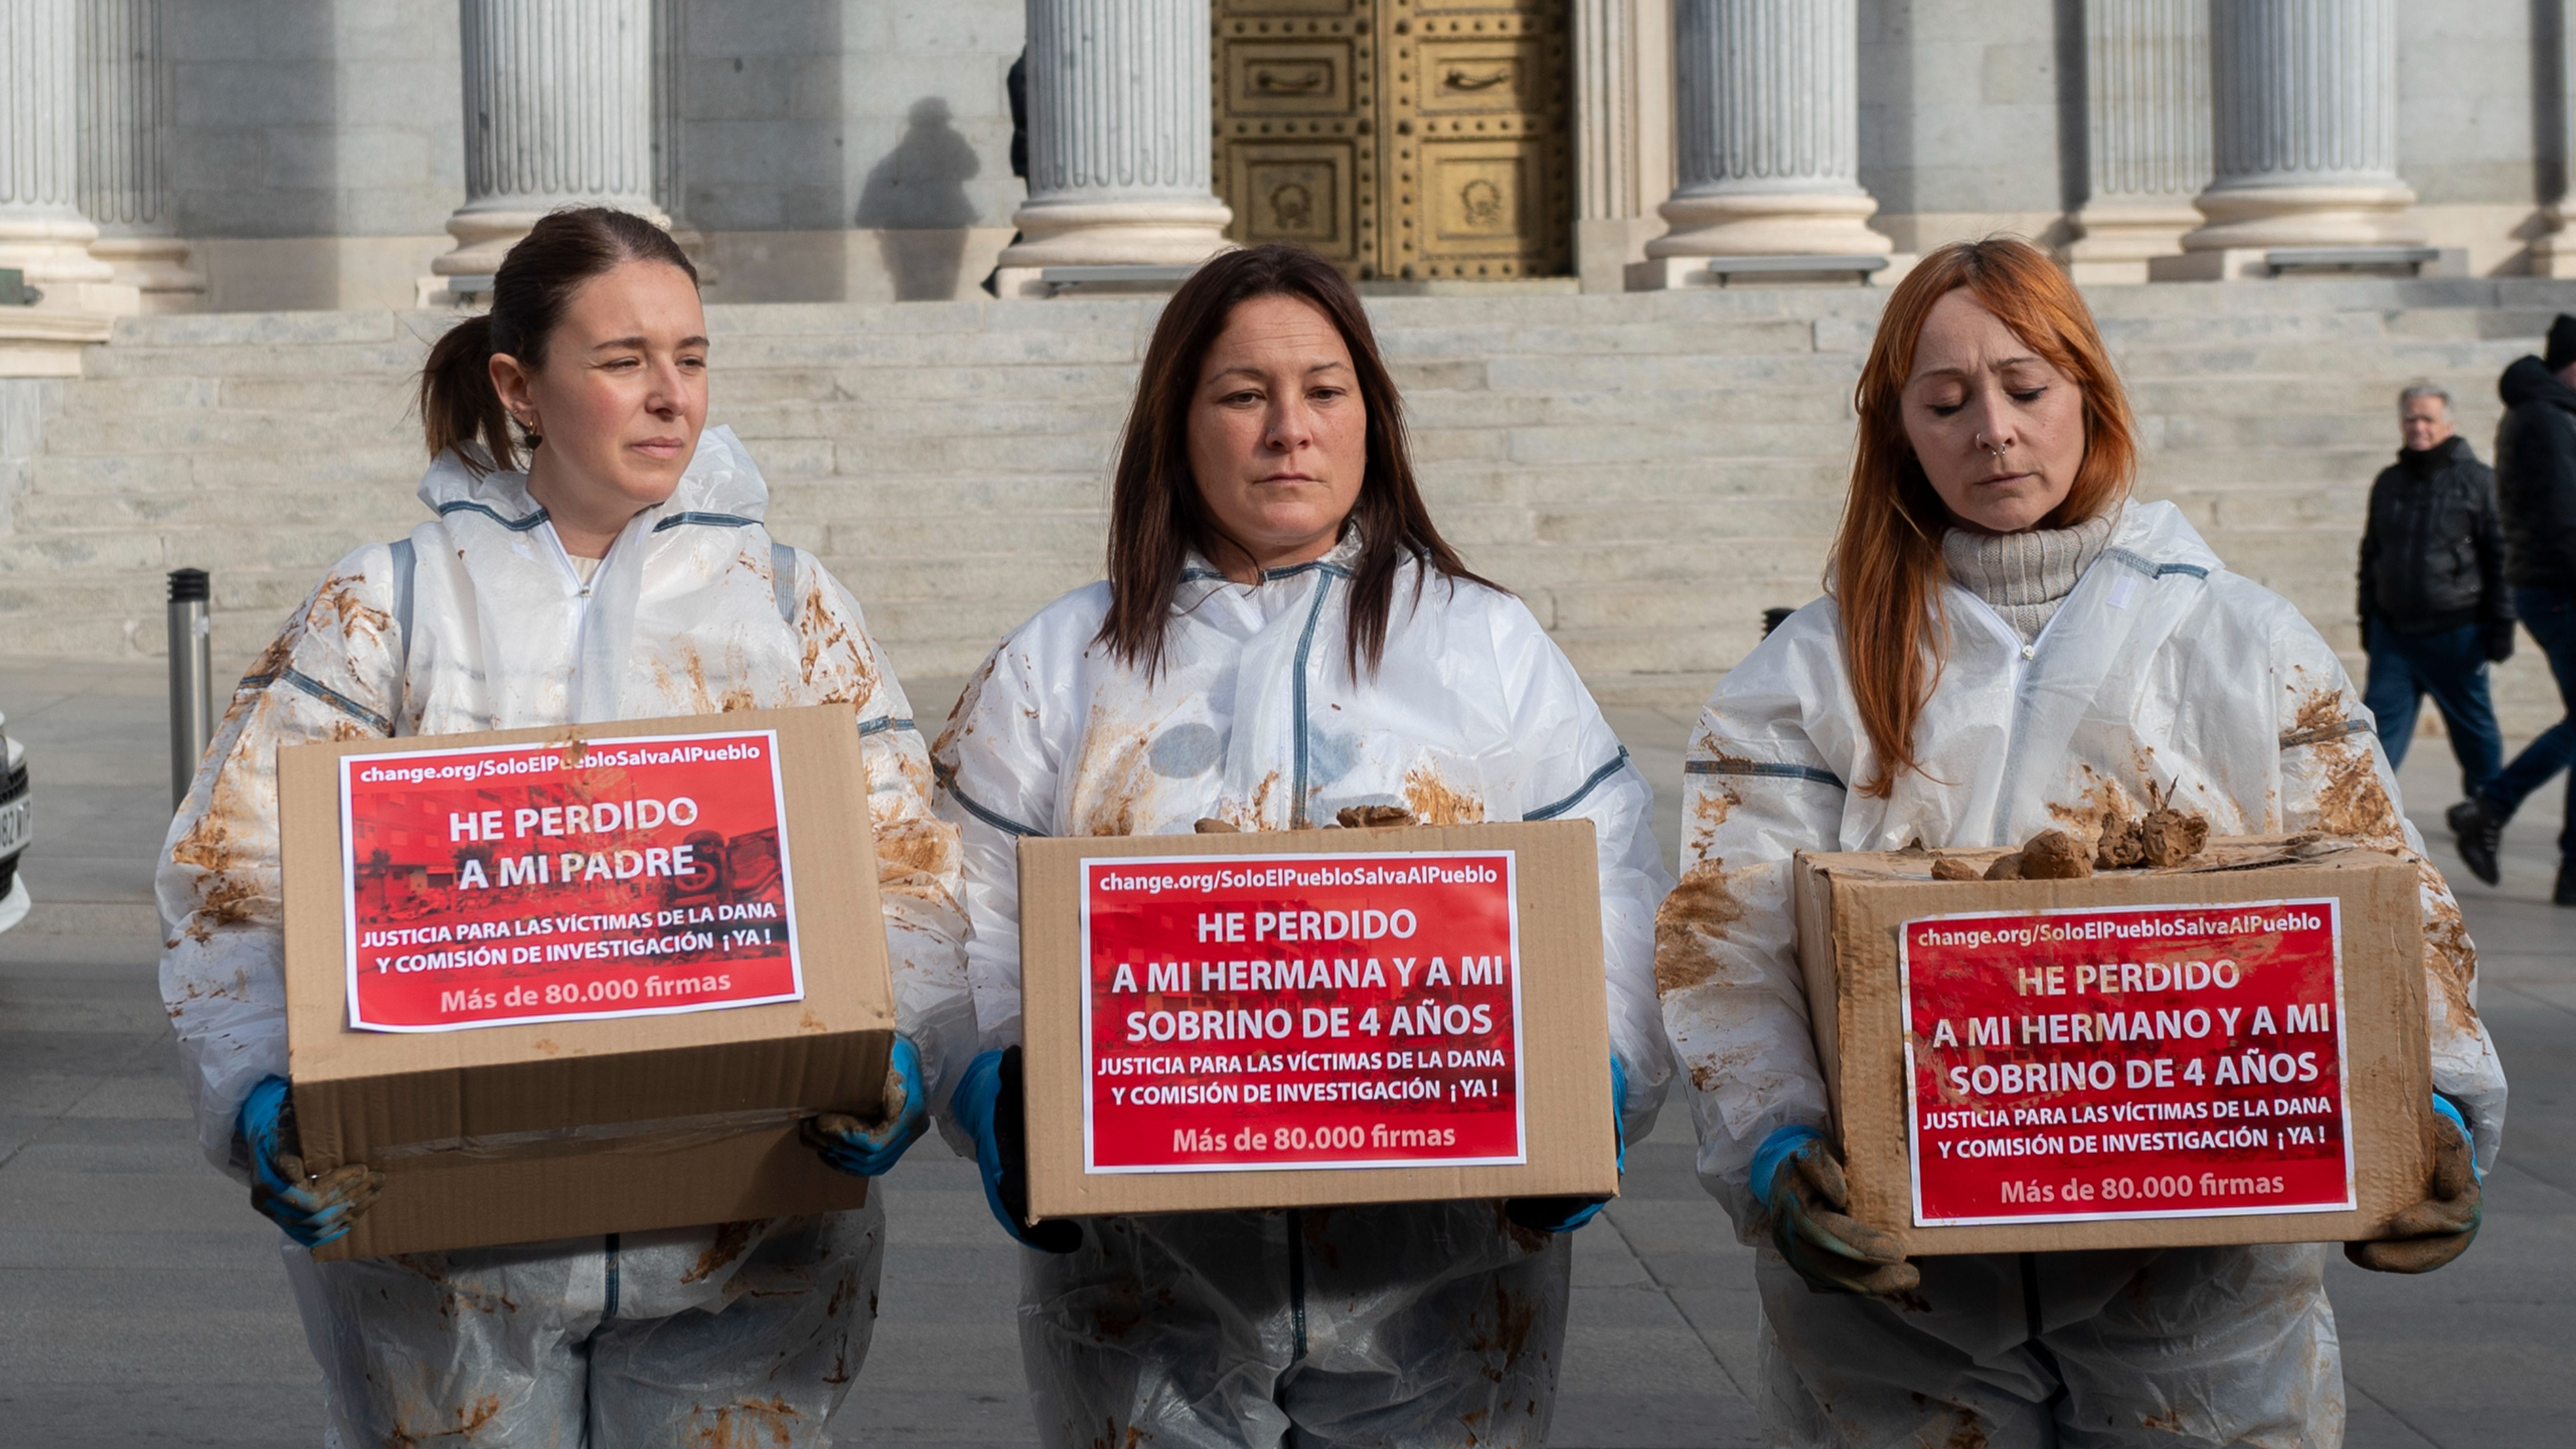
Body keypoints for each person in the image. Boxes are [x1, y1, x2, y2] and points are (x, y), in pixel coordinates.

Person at [1656, 237, 2504, 1446]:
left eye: (2024, 389)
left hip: (2203, 1284)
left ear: (2088, 395)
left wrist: (2433, 1110)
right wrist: (1774, 1145)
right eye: (1944, 404)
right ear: (1897, 429)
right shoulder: (1805, 672)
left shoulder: (2243, 640)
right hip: (1903, 1307)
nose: (1991, 431)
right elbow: (1731, 944)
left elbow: (2385, 897)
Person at [157, 208, 973, 1446]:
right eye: (622, 360)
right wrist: (263, 1084)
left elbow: (906, 865)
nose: (669, 398)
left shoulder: (789, 605)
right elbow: (237, 879)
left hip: (746, 1242)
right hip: (450, 1265)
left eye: (691, 359)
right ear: (517, 385)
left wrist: (893, 1035)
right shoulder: (392, 604)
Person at [930, 243, 1673, 1447]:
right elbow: (962, 911)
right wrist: (995, 1081)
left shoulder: (1484, 647)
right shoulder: (1060, 667)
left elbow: (1611, 884)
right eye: (1241, 394)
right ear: (1174, 421)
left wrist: (1600, 1075)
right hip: (1146, 1291)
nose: (1288, 430)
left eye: (1323, 391)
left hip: (1441, 1288)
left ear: (1370, 417)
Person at [2449, 314, 2576, 905]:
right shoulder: (2546, 420)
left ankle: (2571, 867)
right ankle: (2492, 805)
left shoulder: (2548, 414)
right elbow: (2562, 520)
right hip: (2560, 588)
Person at [2357, 383, 2511, 793]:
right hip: (2393, 636)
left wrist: (2500, 626)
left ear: (2448, 423)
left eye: (2427, 418)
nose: (2417, 427)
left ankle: (2484, 811)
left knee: (2474, 733)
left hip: (2457, 633)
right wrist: (2367, 619)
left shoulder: (2478, 480)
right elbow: (2370, 553)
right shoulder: (2388, 481)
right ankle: (2370, 812)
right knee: (2374, 734)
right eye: (2410, 418)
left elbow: (2501, 557)